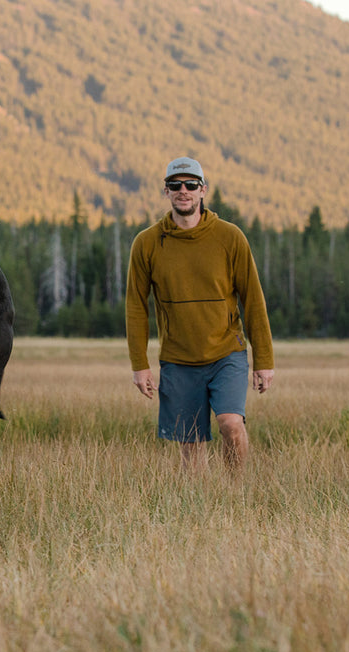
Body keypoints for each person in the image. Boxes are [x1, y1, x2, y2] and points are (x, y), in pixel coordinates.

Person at [125, 157, 275, 471]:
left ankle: (236, 496)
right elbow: (136, 307)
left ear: (203, 190)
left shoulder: (230, 237)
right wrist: (140, 365)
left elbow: (253, 299)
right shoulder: (147, 243)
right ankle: (199, 510)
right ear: (165, 191)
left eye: (191, 185)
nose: (184, 191)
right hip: (178, 358)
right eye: (175, 185)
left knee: (231, 424)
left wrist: (264, 361)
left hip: (226, 352)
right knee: (190, 446)